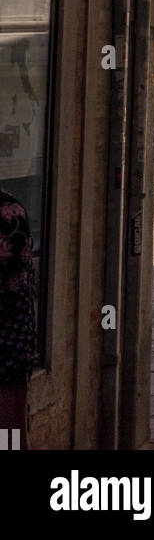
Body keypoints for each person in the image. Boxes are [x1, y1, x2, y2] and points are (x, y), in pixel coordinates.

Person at [0, 187, 37, 449]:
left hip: (7, 345)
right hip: (11, 345)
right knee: (9, 433)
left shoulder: (9, 214)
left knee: (8, 431)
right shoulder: (12, 209)